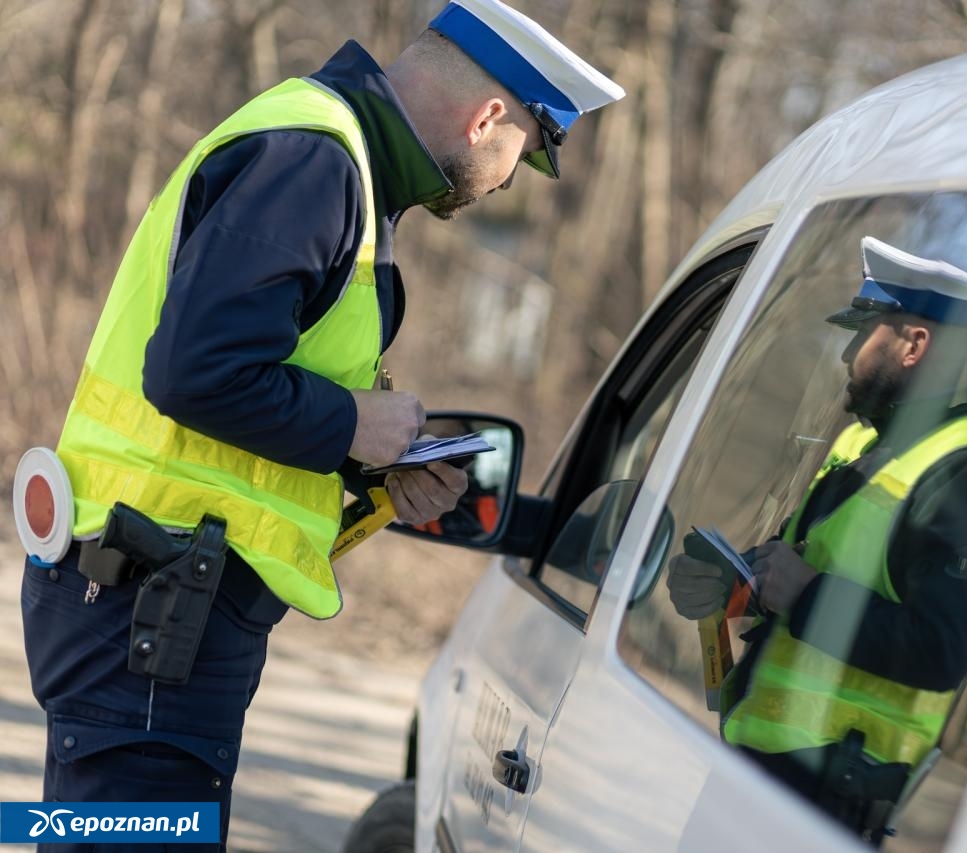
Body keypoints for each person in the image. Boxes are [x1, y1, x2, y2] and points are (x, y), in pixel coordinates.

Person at [18, 0, 623, 848]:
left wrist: (374, 465)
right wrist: (350, 422)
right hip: (152, 604)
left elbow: (245, 388)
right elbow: (195, 373)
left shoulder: (338, 164)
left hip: (159, 600)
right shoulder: (316, 159)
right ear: (488, 116)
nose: (511, 178)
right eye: (524, 149)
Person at [667, 236, 967, 840]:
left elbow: (942, 650)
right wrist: (730, 587)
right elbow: (790, 583)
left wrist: (808, 596)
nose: (844, 355)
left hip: (826, 806)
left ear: (915, 344)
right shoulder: (860, 445)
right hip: (755, 775)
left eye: (862, 333)